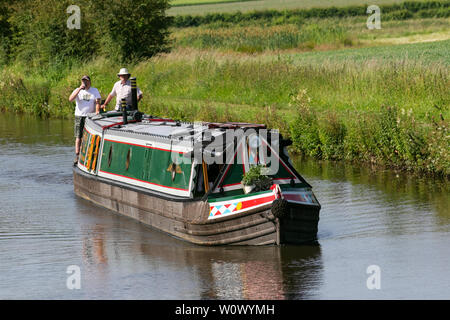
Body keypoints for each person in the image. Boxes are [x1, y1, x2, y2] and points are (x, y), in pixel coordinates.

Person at [69, 75, 101, 165]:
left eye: (86, 81)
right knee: (78, 136)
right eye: (83, 81)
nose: (85, 82)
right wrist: (79, 89)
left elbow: (98, 102)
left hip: (90, 116)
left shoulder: (94, 90)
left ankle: (88, 153)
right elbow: (70, 99)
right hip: (79, 116)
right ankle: (77, 155)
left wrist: (97, 111)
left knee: (89, 136)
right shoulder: (78, 90)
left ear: (89, 82)